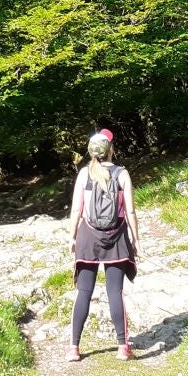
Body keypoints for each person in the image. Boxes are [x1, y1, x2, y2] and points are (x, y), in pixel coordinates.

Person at [68, 128, 139, 361]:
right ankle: (122, 347)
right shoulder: (122, 174)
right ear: (111, 150)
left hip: (88, 237)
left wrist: (72, 237)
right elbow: (129, 210)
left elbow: (77, 210)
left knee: (84, 292)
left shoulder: (83, 175)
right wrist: (135, 239)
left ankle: (74, 348)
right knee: (115, 292)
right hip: (116, 238)